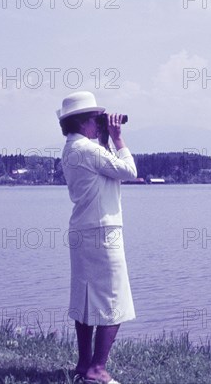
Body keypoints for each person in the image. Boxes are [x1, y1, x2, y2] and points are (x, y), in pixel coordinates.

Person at [57, 91, 137, 384]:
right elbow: (128, 171)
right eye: (95, 118)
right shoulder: (90, 151)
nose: (98, 122)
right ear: (82, 121)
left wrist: (102, 138)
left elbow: (105, 171)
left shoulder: (72, 149)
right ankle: (98, 369)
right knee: (114, 298)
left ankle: (83, 365)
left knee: (86, 299)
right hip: (104, 232)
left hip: (82, 230)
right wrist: (117, 138)